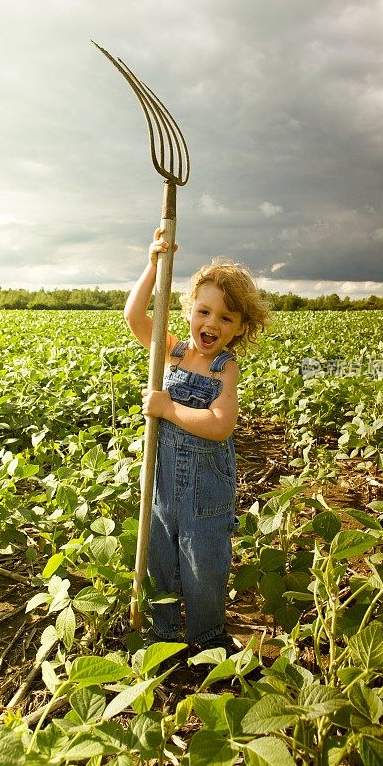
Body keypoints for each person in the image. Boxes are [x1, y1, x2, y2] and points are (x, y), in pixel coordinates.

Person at [124, 227, 269, 651]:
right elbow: (134, 316)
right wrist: (153, 265)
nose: (212, 324)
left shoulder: (225, 368)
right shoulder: (170, 351)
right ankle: (163, 635)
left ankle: (207, 640)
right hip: (163, 484)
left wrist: (167, 407)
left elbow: (220, 424)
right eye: (204, 312)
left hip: (207, 492)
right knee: (161, 561)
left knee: (203, 565)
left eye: (225, 318)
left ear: (240, 328)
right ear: (189, 309)